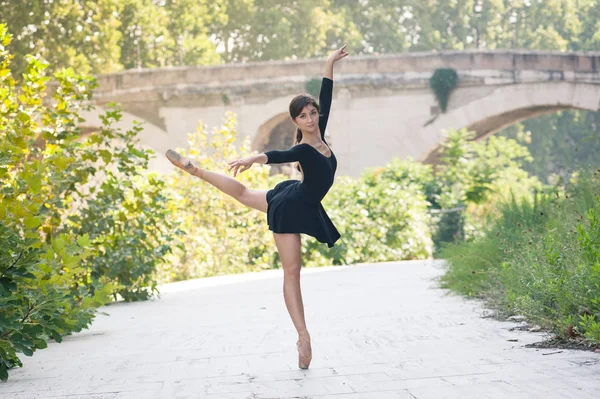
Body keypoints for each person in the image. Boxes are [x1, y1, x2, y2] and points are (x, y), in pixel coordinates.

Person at [165, 45, 349, 369]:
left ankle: (195, 170)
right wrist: (254, 157)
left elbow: (327, 93)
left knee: (244, 194)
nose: (309, 118)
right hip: (292, 207)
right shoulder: (304, 148)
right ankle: (303, 335)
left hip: (296, 194)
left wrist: (328, 62)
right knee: (293, 272)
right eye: (303, 115)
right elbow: (277, 155)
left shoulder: (320, 134)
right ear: (296, 120)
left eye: (312, 113)